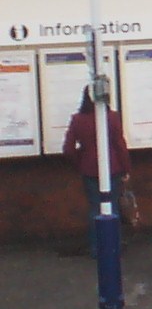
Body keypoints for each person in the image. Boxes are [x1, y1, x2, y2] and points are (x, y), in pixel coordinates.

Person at [60, 85, 130, 250]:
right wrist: (126, 168)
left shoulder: (77, 119)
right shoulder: (112, 117)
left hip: (89, 170)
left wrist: (81, 161)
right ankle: (113, 246)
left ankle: (96, 247)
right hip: (113, 168)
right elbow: (120, 145)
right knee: (112, 206)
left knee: (94, 208)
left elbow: (68, 148)